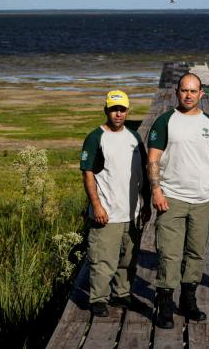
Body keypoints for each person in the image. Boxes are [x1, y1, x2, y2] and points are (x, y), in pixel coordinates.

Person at [148, 73, 209, 329]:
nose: (189, 95)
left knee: (195, 252)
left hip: (202, 199)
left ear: (201, 94)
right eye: (184, 90)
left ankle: (188, 300)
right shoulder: (165, 122)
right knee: (169, 253)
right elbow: (153, 159)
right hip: (171, 198)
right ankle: (165, 303)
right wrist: (156, 191)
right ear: (177, 92)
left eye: (193, 91)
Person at [80, 90, 151, 317]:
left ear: (128, 111)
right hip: (107, 213)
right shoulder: (95, 137)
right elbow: (87, 173)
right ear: (106, 110)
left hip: (131, 213)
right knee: (102, 260)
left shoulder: (134, 138)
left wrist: (146, 202)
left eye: (122, 109)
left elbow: (144, 173)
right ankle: (98, 299)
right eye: (113, 109)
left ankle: (122, 294)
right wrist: (97, 206)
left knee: (128, 260)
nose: (118, 113)